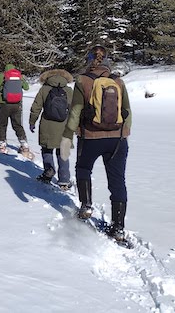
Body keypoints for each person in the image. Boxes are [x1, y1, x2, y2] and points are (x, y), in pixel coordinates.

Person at [62, 45, 132, 242]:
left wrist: (67, 136)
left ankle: (86, 206)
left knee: (83, 168)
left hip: (90, 137)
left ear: (89, 58)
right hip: (117, 140)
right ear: (107, 60)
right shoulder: (118, 81)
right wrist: (123, 134)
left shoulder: (83, 81)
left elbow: (75, 111)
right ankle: (118, 227)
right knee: (118, 181)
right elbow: (127, 110)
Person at [28, 68, 74, 190]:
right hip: (64, 126)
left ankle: (48, 172)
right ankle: (64, 180)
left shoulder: (44, 89)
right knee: (63, 152)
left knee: (47, 150)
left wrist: (32, 121)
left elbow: (36, 107)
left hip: (47, 125)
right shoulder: (69, 90)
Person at [0, 63, 32, 158]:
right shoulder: (19, 76)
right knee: (18, 125)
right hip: (17, 105)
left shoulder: (2, 76)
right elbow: (27, 87)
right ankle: (24, 145)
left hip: (4, 104)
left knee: (2, 124)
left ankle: (2, 144)